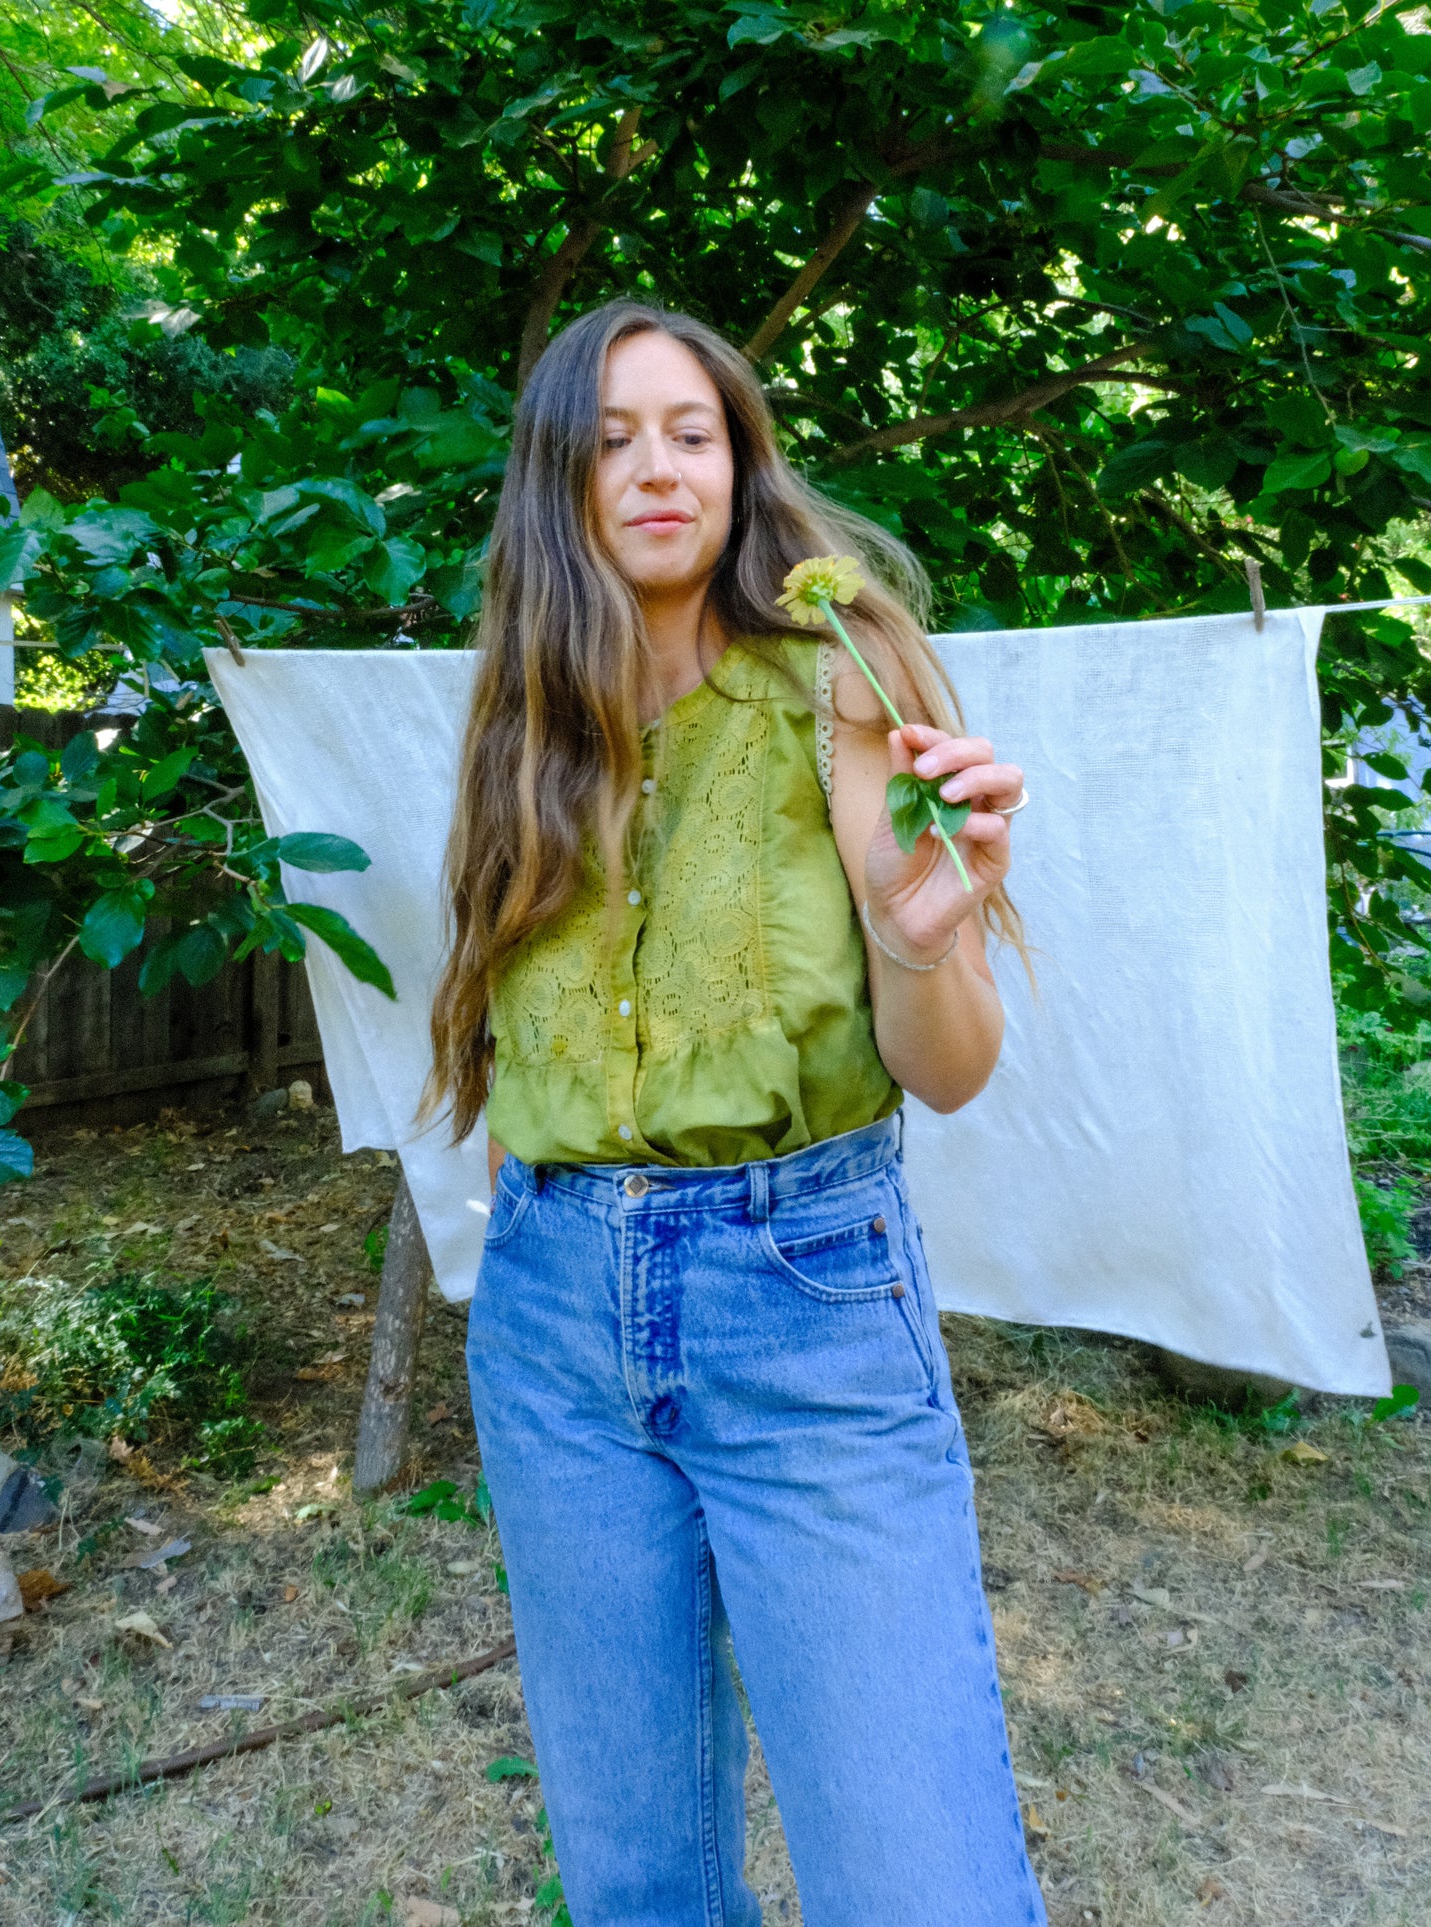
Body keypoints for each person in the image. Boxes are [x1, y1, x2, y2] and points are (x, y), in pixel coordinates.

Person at [428, 299, 1045, 1926]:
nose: (655, 468)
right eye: (610, 439)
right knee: (637, 1875)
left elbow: (950, 1069)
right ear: (556, 483)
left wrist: (918, 939)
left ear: (738, 462)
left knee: (916, 1883)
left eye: (689, 433)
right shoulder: (522, 723)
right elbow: (512, 1040)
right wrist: (530, 1238)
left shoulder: (840, 683)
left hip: (803, 1303)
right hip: (552, 1326)